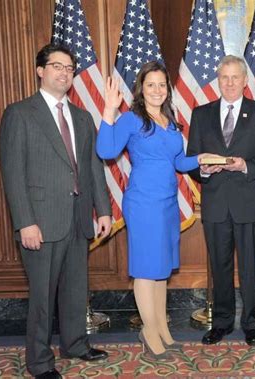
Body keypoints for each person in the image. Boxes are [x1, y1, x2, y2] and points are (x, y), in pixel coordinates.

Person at [0, 44, 112, 379]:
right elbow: (13, 173)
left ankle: (75, 344)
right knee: (43, 296)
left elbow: (93, 167)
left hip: (77, 217)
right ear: (40, 71)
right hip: (41, 222)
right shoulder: (19, 113)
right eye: (57, 66)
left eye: (69, 68)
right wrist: (25, 222)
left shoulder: (82, 116)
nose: (64, 73)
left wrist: (102, 210)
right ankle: (39, 362)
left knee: (77, 288)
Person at [96, 61, 216, 359]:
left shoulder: (169, 120)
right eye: (151, 84)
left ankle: (162, 329)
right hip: (143, 203)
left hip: (166, 204)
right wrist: (109, 111)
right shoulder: (131, 119)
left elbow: (177, 162)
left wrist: (202, 158)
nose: (157, 90)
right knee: (146, 270)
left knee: (161, 270)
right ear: (141, 89)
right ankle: (149, 334)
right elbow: (106, 151)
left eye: (162, 84)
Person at [187, 55, 255, 347]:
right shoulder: (201, 114)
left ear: (244, 81)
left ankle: (251, 324)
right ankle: (222, 323)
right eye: (224, 77)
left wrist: (245, 166)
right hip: (215, 204)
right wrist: (202, 169)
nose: (229, 83)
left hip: (249, 202)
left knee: (250, 267)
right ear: (218, 80)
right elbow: (192, 159)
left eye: (235, 77)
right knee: (220, 266)